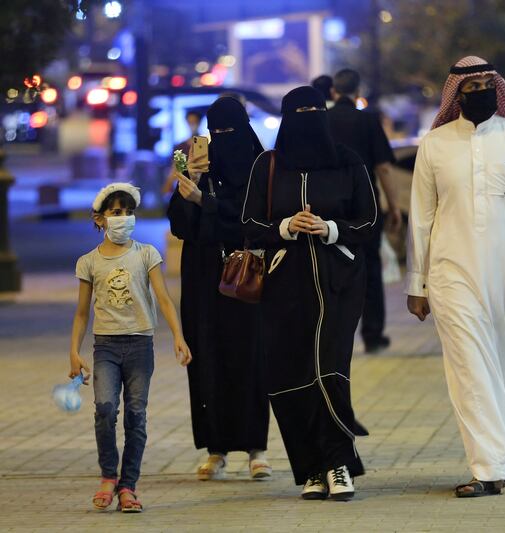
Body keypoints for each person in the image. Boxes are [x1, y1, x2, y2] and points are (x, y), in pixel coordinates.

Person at [405, 56, 505, 498]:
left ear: (498, 88)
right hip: (450, 271)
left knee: (502, 367)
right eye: (470, 84)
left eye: (486, 82)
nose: (479, 90)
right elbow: (421, 218)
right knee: (469, 366)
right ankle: (488, 467)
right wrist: (416, 284)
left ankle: (496, 461)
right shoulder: (435, 144)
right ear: (455, 93)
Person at [242, 86, 377, 501]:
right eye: (299, 113)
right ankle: (311, 469)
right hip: (284, 290)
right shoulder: (268, 165)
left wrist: (331, 229)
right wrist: (285, 228)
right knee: (292, 379)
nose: (308, 119)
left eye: (314, 111)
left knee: (328, 372)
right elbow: (247, 223)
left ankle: (338, 464)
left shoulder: (347, 162)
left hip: (338, 286)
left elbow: (369, 219)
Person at [69, 183, 192, 512]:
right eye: (116, 212)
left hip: (140, 345)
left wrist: (178, 336)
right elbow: (82, 313)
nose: (123, 218)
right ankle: (109, 476)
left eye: (128, 212)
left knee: (136, 416)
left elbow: (164, 299)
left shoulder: (147, 254)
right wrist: (74, 352)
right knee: (105, 409)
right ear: (100, 219)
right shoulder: (88, 263)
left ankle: (128, 486)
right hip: (105, 347)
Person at [167, 96, 271, 482]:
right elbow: (179, 224)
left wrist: (206, 203)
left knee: (250, 357)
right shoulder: (190, 164)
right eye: (216, 131)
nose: (222, 139)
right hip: (202, 277)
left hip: (245, 277)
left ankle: (256, 448)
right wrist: (191, 184)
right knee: (206, 357)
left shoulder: (261, 167)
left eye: (230, 130)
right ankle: (215, 449)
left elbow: (252, 220)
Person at [327, 68, 400, 354]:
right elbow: (383, 167)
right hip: (365, 206)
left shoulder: (324, 121)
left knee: (333, 269)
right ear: (357, 93)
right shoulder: (368, 122)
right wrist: (393, 206)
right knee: (370, 268)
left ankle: (334, 335)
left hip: (331, 207)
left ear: (334, 92)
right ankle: (372, 334)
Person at [162, 110, 203, 194]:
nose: (192, 125)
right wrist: (168, 184)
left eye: (194, 122)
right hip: (186, 187)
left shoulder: (206, 143)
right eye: (190, 122)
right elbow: (177, 169)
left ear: (199, 122)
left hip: (203, 186)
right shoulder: (181, 147)